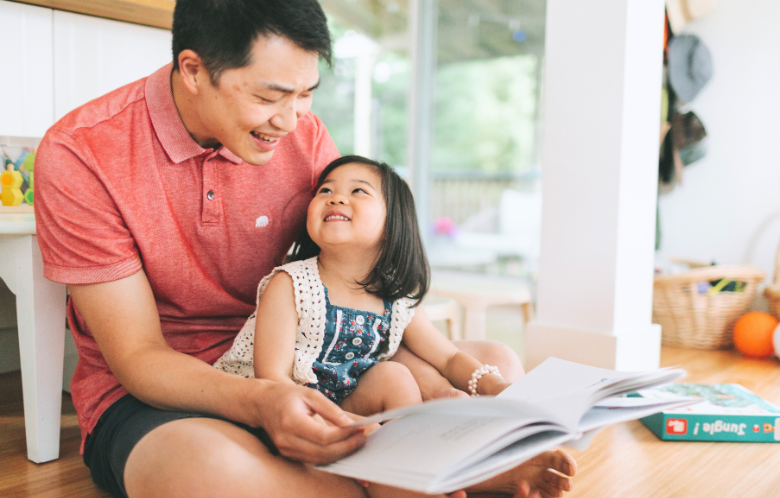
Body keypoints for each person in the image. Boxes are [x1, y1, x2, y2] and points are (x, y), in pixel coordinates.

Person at [33, 0, 576, 497]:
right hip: (168, 395)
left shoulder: (305, 136)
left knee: (493, 361)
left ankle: (412, 471)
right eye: (270, 96)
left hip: (312, 359)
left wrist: (438, 382)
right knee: (208, 473)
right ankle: (441, 473)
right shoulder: (81, 154)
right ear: (194, 70)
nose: (292, 121)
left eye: (306, 94)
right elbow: (138, 358)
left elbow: (358, 270)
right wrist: (266, 401)